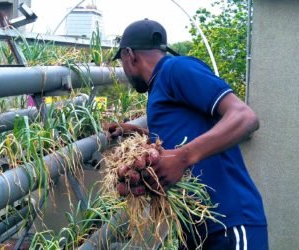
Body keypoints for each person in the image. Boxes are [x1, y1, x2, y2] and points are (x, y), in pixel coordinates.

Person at [108, 19, 268, 250]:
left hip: (228, 224)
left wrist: (183, 157)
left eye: (121, 61)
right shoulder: (159, 87)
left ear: (129, 54)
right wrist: (136, 133)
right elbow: (183, 136)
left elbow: (245, 117)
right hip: (196, 229)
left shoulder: (176, 69)